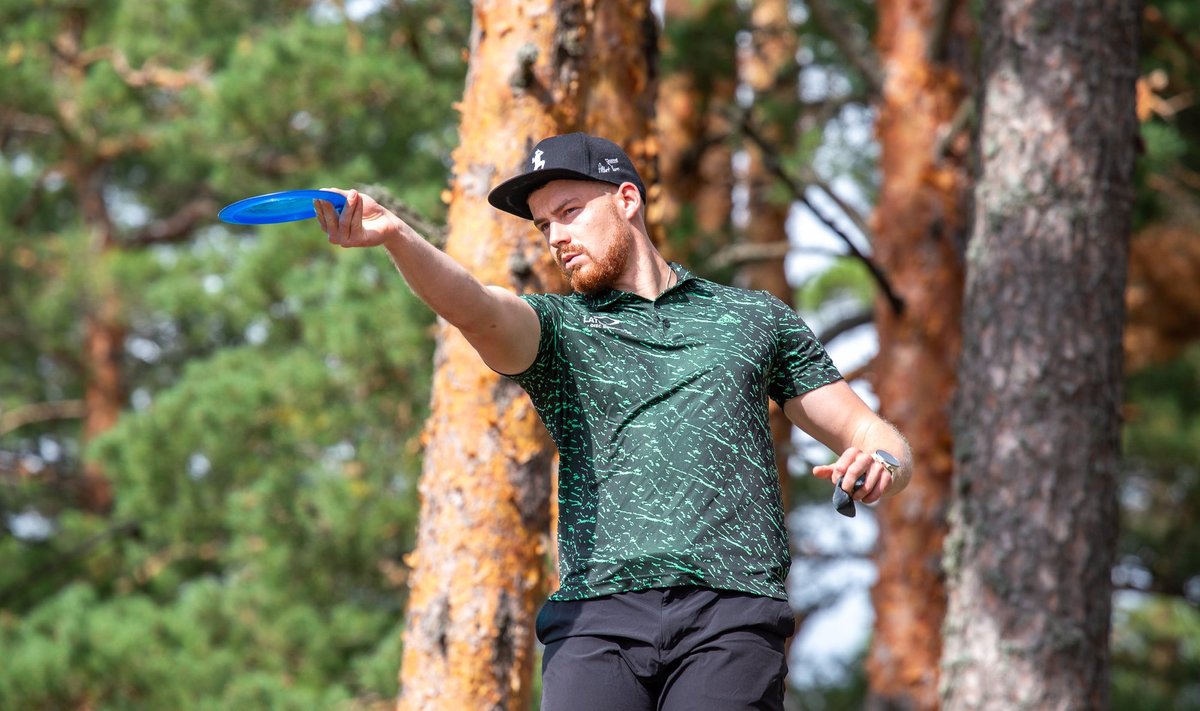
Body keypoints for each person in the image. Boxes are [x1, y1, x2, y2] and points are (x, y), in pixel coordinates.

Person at [314, 132, 912, 710]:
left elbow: (874, 434)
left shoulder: (752, 318)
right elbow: (474, 305)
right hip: (593, 622)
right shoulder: (556, 330)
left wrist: (881, 461)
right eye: (544, 225)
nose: (556, 237)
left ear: (626, 199)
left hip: (731, 614)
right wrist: (396, 237)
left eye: (570, 212)